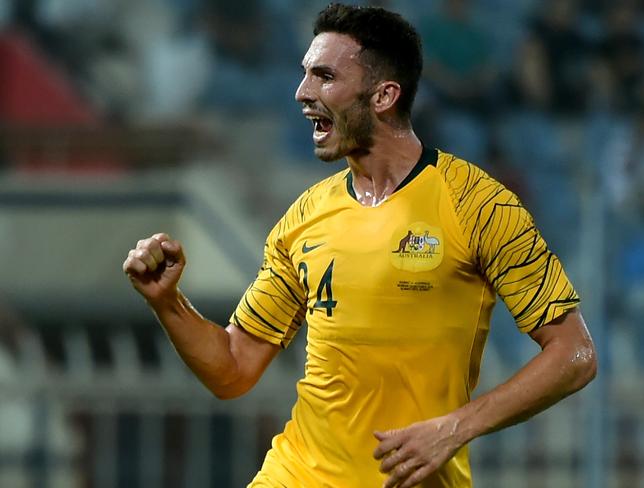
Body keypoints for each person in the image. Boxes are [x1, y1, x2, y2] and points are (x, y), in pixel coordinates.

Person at [123, 4, 597, 487]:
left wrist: (455, 428)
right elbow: (233, 369)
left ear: (384, 95)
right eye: (305, 75)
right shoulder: (304, 217)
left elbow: (574, 354)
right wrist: (167, 302)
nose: (303, 93)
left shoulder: (478, 205)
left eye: (324, 77)